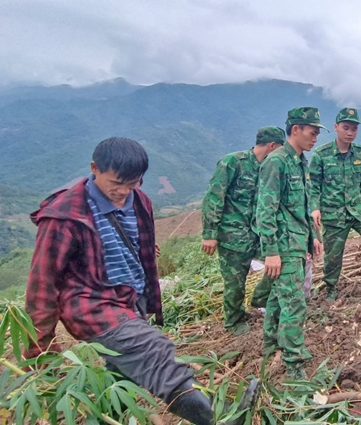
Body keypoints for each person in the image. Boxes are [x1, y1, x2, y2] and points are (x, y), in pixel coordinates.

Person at [24, 138, 258, 425]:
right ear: (94, 169)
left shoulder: (140, 201)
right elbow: (42, 284)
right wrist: (39, 350)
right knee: (154, 353)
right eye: (116, 183)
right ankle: (219, 420)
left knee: (120, 375)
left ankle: (108, 416)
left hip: (131, 300)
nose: (122, 191)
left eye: (132, 183)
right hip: (91, 306)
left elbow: (141, 250)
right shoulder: (64, 216)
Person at [255, 107, 324, 381]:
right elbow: (265, 210)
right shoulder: (277, 162)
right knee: (294, 304)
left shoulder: (300, 162)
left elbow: (302, 207)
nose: (315, 138)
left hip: (296, 243)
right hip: (282, 247)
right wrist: (271, 251)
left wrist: (313, 238)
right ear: (295, 129)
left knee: (277, 298)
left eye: (317, 133)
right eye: (312, 132)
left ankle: (269, 344)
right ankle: (294, 366)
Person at [201, 126, 285, 335]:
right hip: (232, 236)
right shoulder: (233, 162)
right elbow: (214, 198)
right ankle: (234, 321)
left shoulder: (270, 168)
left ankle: (260, 298)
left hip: (259, 235)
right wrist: (209, 234)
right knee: (235, 283)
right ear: (272, 145)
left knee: (280, 262)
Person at [308, 108, 361, 302]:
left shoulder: (360, 153)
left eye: (354, 128)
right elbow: (313, 185)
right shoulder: (321, 155)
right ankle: (331, 288)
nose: (350, 132)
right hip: (333, 212)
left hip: (358, 208)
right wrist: (315, 208)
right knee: (333, 254)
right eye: (346, 127)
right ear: (336, 128)